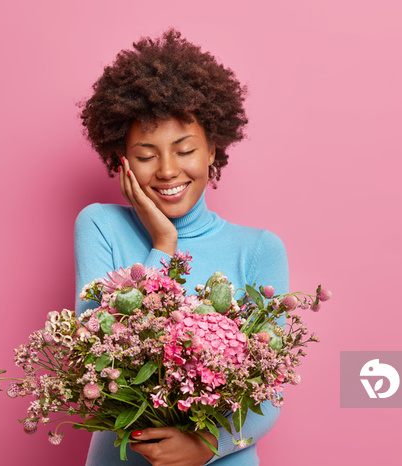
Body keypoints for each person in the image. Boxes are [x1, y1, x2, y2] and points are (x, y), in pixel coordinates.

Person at [74, 29, 289, 466]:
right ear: (121, 159)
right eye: (146, 154)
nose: (168, 170)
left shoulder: (260, 249)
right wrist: (164, 244)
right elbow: (96, 357)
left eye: (185, 149)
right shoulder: (98, 225)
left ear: (213, 148)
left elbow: (271, 393)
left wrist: (205, 447)